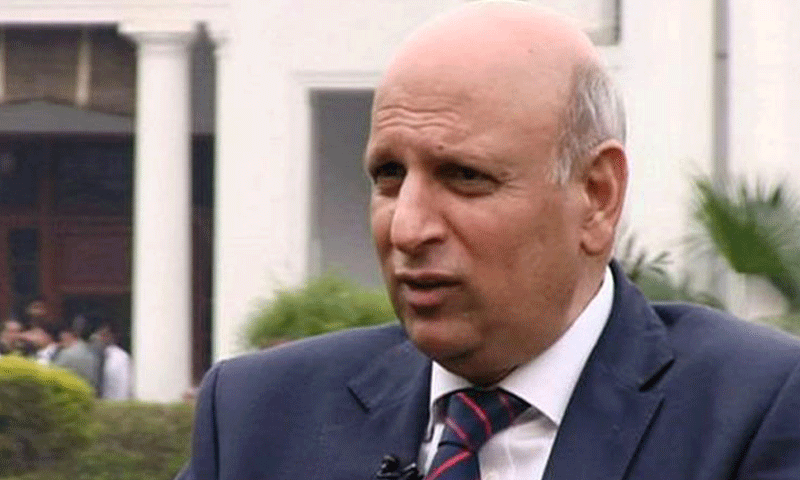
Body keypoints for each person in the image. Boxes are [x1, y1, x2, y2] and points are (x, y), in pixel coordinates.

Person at [177, 2, 800, 479]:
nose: (407, 228)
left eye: (464, 176)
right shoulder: (257, 418)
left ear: (596, 195)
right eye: (389, 174)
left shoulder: (756, 410)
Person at [53, 316, 101, 393]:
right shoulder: (93, 353)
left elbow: (54, 378)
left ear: (68, 333)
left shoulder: (66, 354)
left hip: (69, 395)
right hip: (89, 394)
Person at [92, 319, 132, 400]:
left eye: (103, 335)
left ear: (110, 337)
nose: (98, 339)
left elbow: (125, 383)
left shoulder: (120, 357)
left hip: (117, 400)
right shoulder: (100, 355)